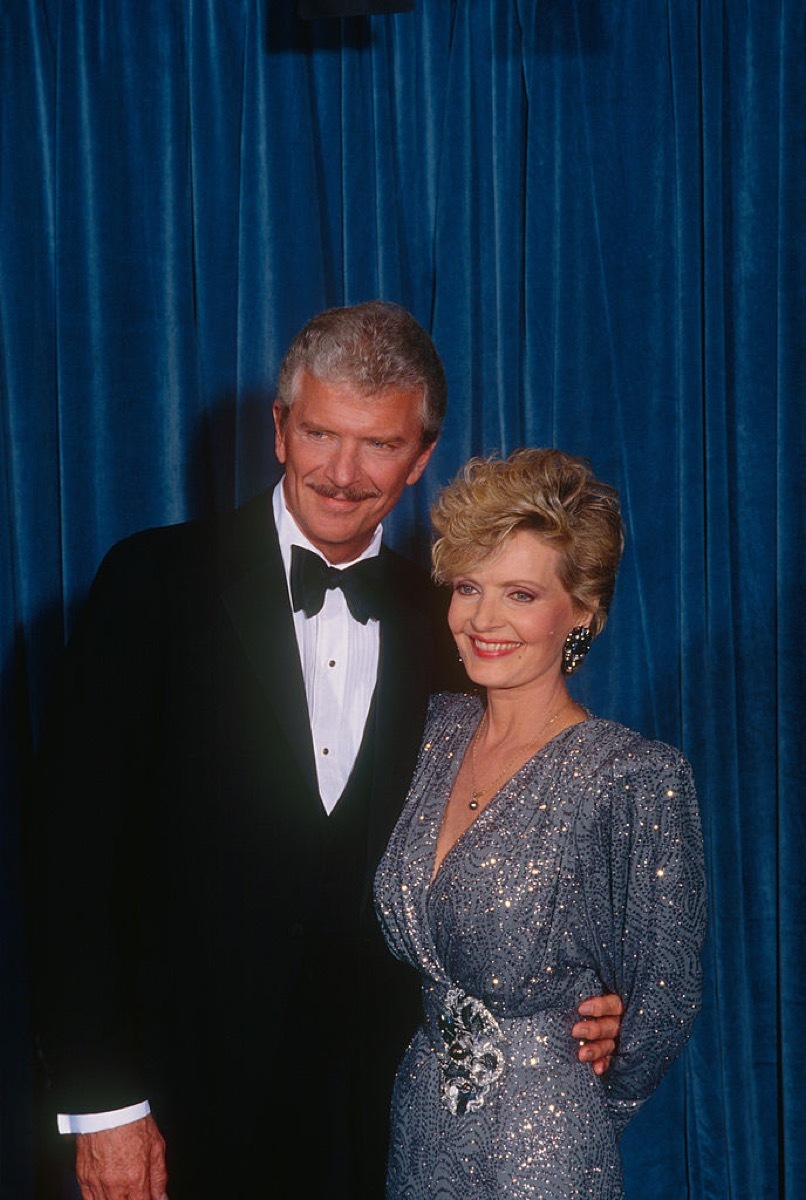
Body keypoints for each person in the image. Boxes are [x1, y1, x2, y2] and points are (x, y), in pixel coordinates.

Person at [26, 305, 622, 1200]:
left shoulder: (456, 623)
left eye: (380, 445)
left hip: (386, 1119)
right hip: (171, 1111)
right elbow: (68, 861)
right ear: (278, 429)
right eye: (320, 434)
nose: (343, 474)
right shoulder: (150, 583)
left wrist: (587, 1000)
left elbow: (512, 841)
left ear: (421, 457)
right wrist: (103, 1101)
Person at [374, 448, 707, 1199]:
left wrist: (571, 1103)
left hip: (543, 1147)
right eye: (468, 587)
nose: (483, 620)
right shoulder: (432, 731)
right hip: (420, 1124)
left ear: (581, 612)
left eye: (520, 594)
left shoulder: (631, 776)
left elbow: (666, 1000)